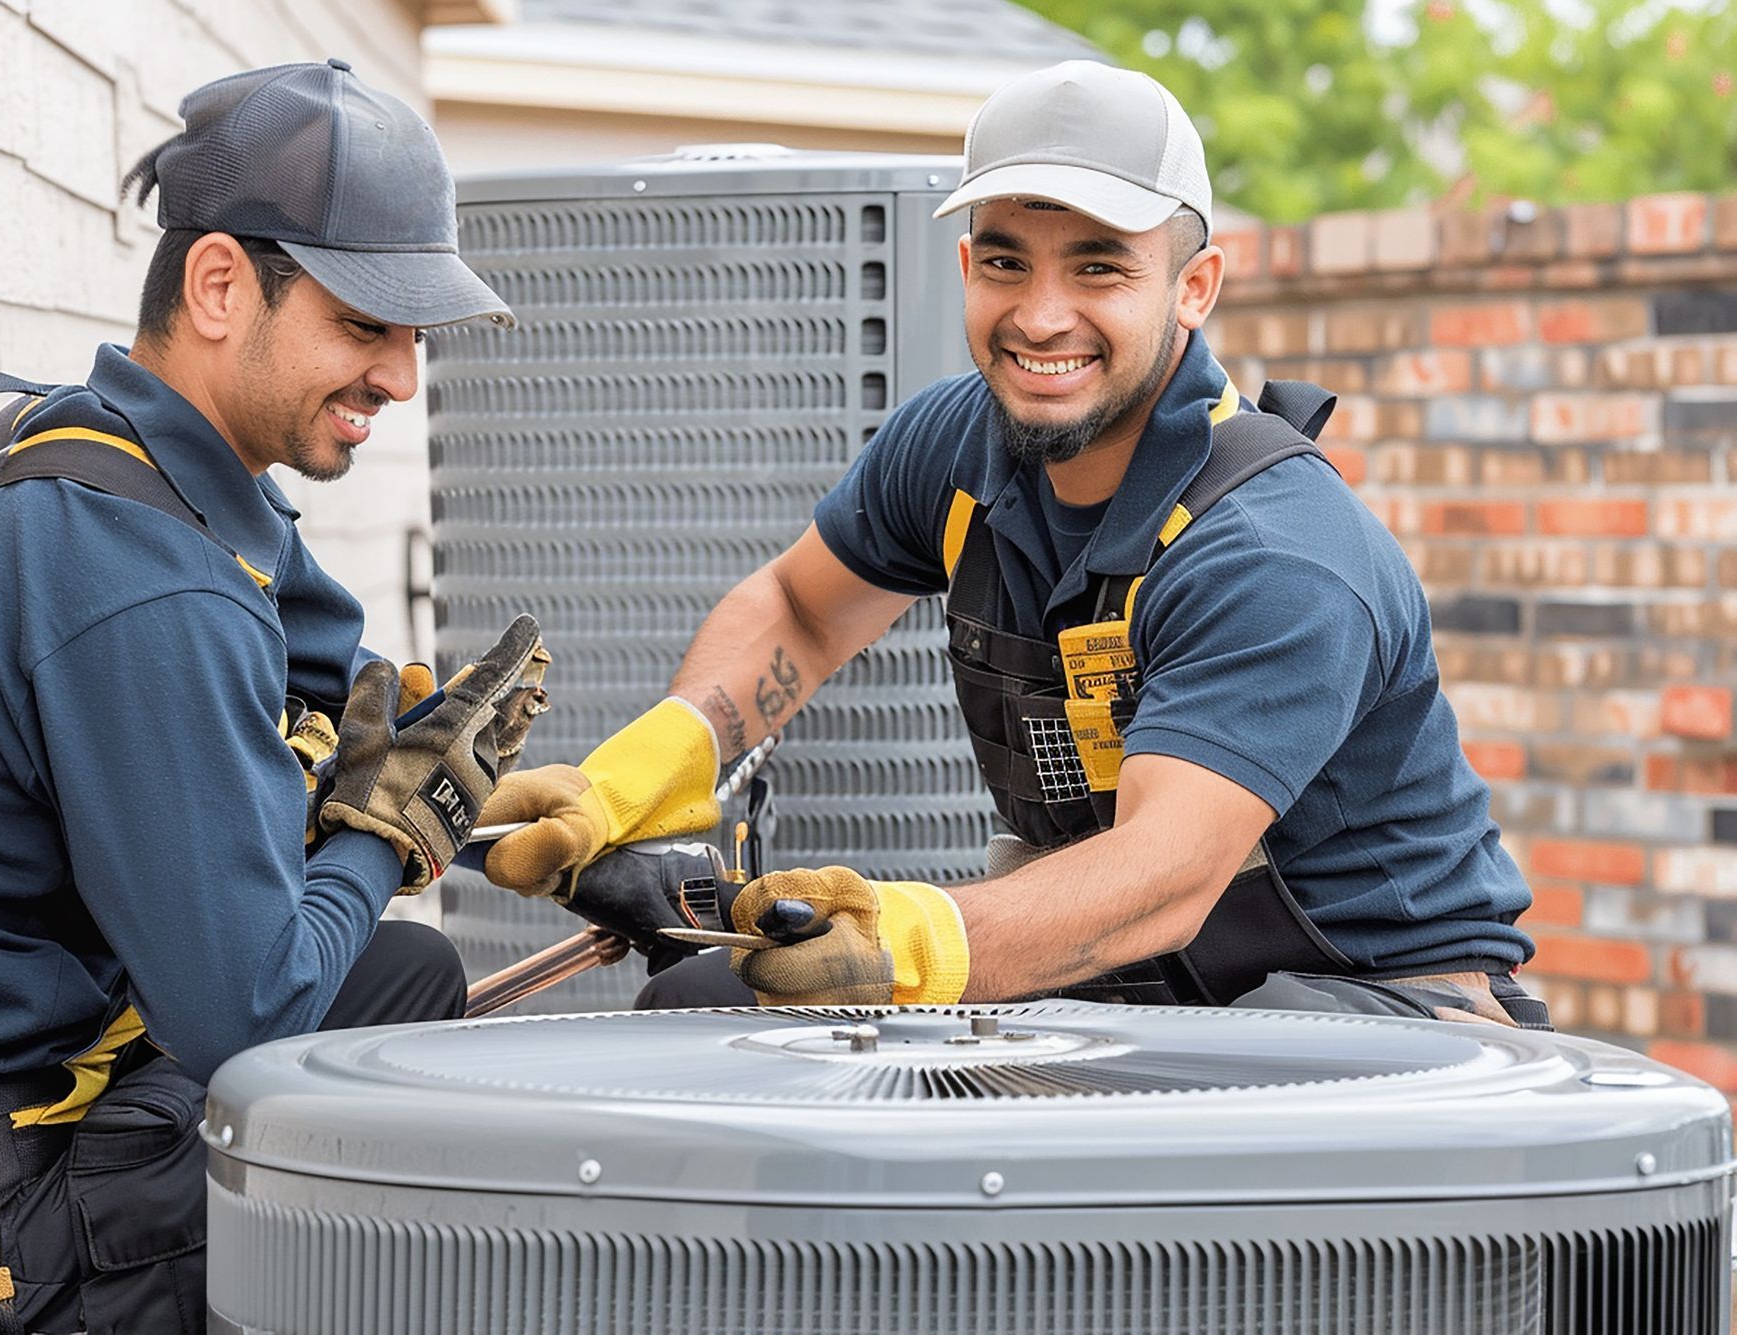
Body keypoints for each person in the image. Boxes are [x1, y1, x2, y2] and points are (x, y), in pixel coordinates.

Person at [479, 61, 1547, 1031]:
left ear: (1194, 287)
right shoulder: (952, 447)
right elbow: (803, 610)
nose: (1041, 317)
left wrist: (905, 941)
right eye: (1005, 261)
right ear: (964, 266)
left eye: (1098, 269)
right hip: (1133, 991)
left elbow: (1162, 878)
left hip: (1386, 1011)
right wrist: (649, 770)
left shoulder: (1270, 552)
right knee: (709, 1005)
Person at [0, 59, 540, 1335]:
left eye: (414, 336)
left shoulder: (108, 455)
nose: (399, 379)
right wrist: (386, 834)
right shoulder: (140, 583)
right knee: (449, 1148)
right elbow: (246, 1011)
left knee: (403, 980)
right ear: (220, 286)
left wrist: (530, 815)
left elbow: (348, 666)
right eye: (365, 325)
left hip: (24, 1119)